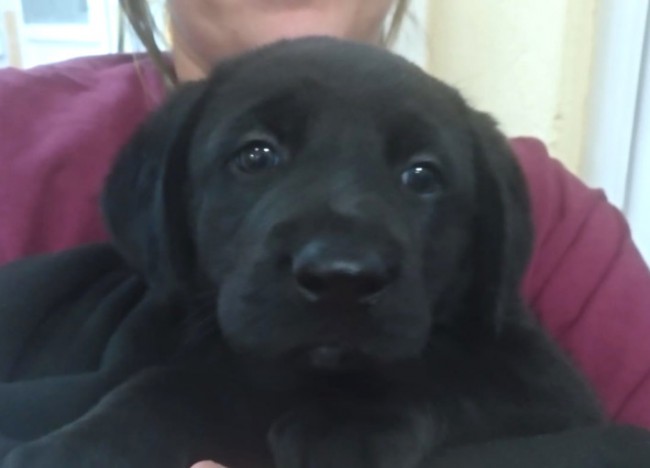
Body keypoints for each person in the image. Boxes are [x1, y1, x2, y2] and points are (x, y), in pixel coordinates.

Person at [0, 1, 649, 466]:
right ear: (166, 204)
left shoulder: (551, 224)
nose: (342, 260)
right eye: (256, 157)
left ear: (491, 239)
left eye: (422, 176)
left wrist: (418, 415)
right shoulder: (22, 139)